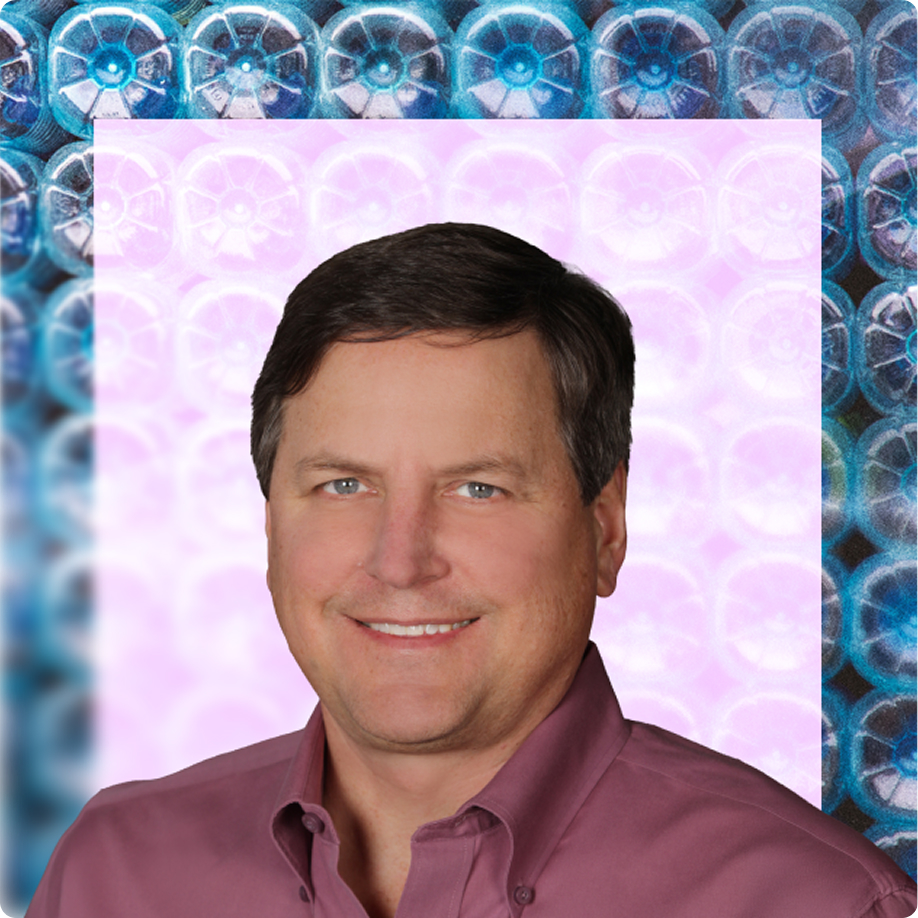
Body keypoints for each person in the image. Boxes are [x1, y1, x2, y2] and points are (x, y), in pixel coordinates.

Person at [26, 224, 916, 918]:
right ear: (268, 520)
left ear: (604, 527)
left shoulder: (812, 901)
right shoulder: (114, 872)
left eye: (478, 488)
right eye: (342, 484)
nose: (399, 558)